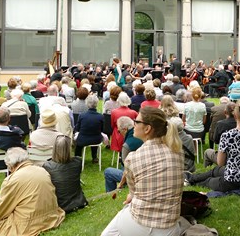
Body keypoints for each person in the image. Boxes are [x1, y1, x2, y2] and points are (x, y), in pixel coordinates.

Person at [101, 107, 184, 236]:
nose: (133, 124)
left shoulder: (132, 158)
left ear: (147, 129)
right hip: (170, 228)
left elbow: (133, 194)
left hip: (140, 225)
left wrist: (131, 197)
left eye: (137, 121)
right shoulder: (178, 152)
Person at [0, 147, 65, 236]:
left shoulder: (12, 180)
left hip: (28, 225)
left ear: (11, 166)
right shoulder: (42, 171)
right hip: (50, 218)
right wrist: (3, 202)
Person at [185, 99, 240, 192]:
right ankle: (190, 177)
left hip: (232, 181)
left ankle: (190, 179)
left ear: (235, 115)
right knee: (215, 171)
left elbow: (220, 163)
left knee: (209, 181)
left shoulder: (227, 136)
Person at [42, 135, 88, 213]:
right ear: (69, 149)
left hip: (61, 206)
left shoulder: (47, 166)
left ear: (55, 149)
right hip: (79, 202)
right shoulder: (78, 161)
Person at [103, 116, 143, 192]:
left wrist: (120, 184)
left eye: (119, 131)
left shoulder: (127, 146)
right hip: (145, 169)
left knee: (108, 171)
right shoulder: (142, 135)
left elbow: (127, 170)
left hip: (135, 175)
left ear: (125, 129)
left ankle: (110, 193)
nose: (119, 133)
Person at [74, 95, 104, 164]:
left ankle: (77, 158)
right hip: (96, 139)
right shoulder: (100, 117)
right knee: (94, 136)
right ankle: (94, 157)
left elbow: (77, 128)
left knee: (78, 144)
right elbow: (102, 129)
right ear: (96, 104)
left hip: (83, 139)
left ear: (87, 104)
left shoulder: (82, 115)